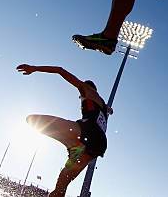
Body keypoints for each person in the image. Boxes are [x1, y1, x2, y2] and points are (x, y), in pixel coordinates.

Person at [16, 64, 112, 197]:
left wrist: (34, 68)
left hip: (86, 132)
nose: (81, 99)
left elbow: (60, 70)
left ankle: (74, 146)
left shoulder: (86, 89)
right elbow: (108, 110)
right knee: (63, 182)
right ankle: (74, 149)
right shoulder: (103, 104)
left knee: (32, 120)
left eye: (81, 97)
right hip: (97, 146)